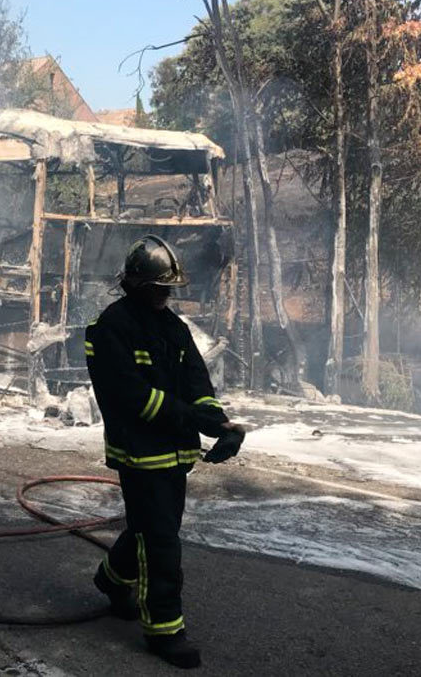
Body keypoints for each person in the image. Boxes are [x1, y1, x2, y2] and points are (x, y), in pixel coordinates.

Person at [85, 234, 247, 669]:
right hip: (138, 453)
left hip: (174, 454)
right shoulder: (110, 329)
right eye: (159, 288)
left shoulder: (173, 328)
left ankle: (110, 579)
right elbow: (134, 398)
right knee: (161, 543)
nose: (165, 296)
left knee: (148, 529)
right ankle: (164, 631)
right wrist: (196, 421)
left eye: (169, 289)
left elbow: (197, 384)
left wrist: (223, 425)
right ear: (136, 284)